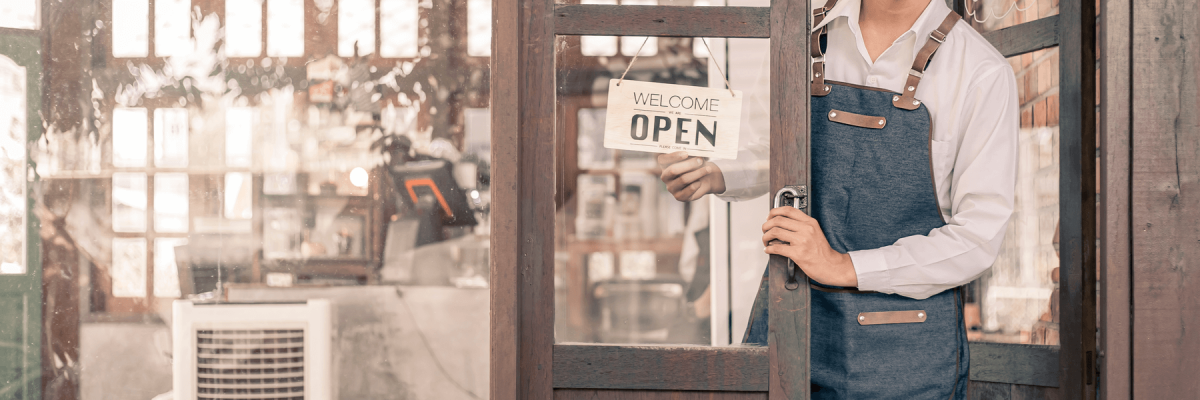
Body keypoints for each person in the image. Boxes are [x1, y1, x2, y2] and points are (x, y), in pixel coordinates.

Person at [657, 0, 1018, 398]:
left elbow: (978, 237)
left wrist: (843, 266)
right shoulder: (797, 35)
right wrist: (716, 173)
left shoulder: (981, 72)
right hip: (795, 323)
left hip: (905, 353)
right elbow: (775, 145)